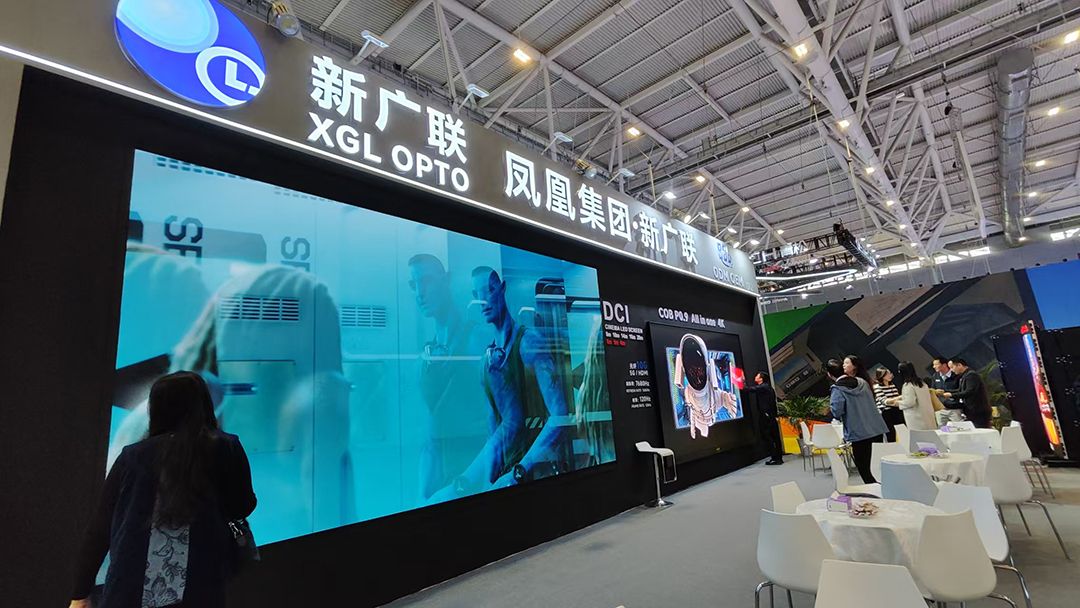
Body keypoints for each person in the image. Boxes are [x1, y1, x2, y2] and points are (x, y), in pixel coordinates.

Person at [71, 372, 257, 608]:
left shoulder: (133, 456)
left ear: (156, 408)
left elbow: (100, 529)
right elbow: (242, 506)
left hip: (130, 585)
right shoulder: (226, 446)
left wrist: (80, 593)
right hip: (200, 583)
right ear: (203, 404)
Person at [429, 267, 572, 501]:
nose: (483, 300)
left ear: (502, 289)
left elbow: (559, 417)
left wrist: (519, 472)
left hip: (537, 472)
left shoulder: (529, 343)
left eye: (489, 290)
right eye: (476, 294)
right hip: (507, 476)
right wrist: (488, 480)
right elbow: (493, 432)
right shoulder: (486, 363)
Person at [407, 254, 489, 500]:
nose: (420, 293)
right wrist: (423, 498)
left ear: (447, 280)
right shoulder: (425, 359)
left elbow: (502, 427)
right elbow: (431, 439)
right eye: (413, 285)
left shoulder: (477, 341)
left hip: (479, 483)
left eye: (427, 281)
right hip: (443, 487)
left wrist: (461, 486)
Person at [826, 358, 888, 484]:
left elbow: (837, 411)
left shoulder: (837, 389)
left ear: (830, 375)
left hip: (858, 433)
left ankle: (874, 493)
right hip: (876, 429)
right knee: (878, 466)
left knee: (865, 469)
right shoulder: (862, 382)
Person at [745, 372, 783, 465]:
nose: (755, 377)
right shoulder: (768, 388)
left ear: (761, 379)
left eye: (757, 376)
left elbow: (748, 389)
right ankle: (777, 457)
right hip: (770, 415)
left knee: (767, 435)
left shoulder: (763, 387)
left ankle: (775, 457)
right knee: (773, 436)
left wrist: (741, 380)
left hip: (766, 415)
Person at [945, 357, 993, 428]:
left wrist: (951, 395)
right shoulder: (964, 375)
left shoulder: (971, 375)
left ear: (959, 365)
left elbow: (969, 391)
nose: (951, 370)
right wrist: (945, 391)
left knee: (981, 430)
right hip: (972, 411)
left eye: (952, 367)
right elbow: (961, 390)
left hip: (978, 411)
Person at [887, 362, 936, 430]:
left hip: (917, 419)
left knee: (920, 436)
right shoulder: (922, 383)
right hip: (928, 415)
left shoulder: (908, 385)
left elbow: (909, 402)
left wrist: (897, 403)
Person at [872, 368, 903, 442]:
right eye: (888, 374)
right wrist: (900, 397)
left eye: (890, 373)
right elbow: (885, 401)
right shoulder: (877, 387)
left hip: (897, 410)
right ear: (882, 375)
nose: (890, 375)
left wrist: (895, 399)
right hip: (885, 412)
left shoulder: (892, 385)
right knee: (891, 434)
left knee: (901, 431)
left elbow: (896, 399)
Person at [930, 357, 963, 424]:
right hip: (941, 410)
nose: (934, 367)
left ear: (944, 365)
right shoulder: (935, 376)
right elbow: (933, 390)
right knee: (943, 428)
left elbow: (960, 390)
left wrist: (947, 393)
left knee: (958, 426)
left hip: (955, 408)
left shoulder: (956, 375)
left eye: (936, 364)